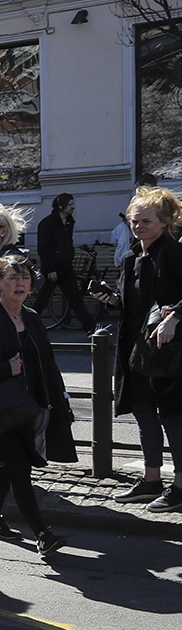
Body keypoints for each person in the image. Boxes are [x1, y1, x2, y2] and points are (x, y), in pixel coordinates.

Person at [0, 256, 76, 558]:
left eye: (25, 277)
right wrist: (0, 369)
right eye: (12, 277)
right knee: (20, 468)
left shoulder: (33, 318)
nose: (20, 283)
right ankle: (42, 534)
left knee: (9, 467)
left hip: (30, 405)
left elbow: (48, 362)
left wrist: (60, 398)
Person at [108, 186, 182, 510]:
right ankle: (151, 479)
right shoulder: (131, 257)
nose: (138, 226)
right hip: (136, 351)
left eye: (145, 221)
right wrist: (110, 299)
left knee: (173, 417)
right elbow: (131, 306)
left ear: (164, 222)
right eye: (133, 221)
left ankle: (180, 486)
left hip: (167, 350)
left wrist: (175, 318)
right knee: (143, 414)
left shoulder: (173, 252)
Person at [30, 193, 96, 332]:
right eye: (70, 204)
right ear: (61, 206)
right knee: (42, 300)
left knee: (75, 299)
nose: (73, 207)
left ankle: (91, 329)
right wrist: (50, 268)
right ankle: (27, 326)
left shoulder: (69, 221)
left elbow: (66, 243)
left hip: (66, 266)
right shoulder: (47, 223)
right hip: (53, 269)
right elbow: (44, 248)